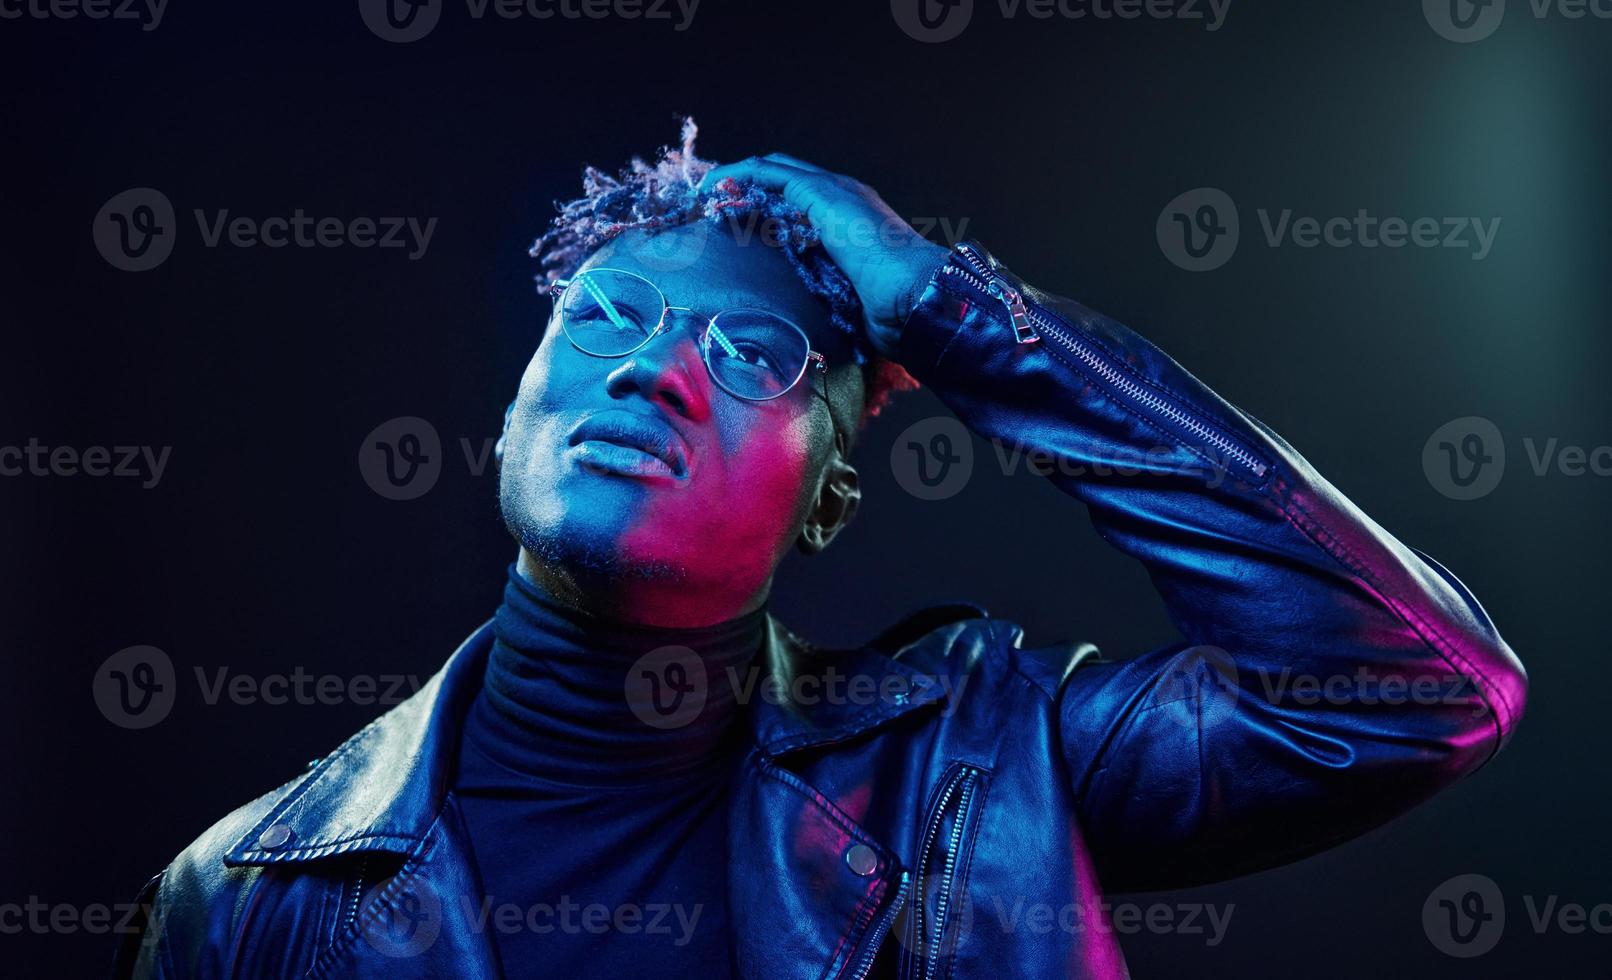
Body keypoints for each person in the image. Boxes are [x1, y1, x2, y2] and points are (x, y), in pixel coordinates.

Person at [115, 121, 1526, 979]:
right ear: (509, 416)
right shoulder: (242, 900)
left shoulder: (986, 768)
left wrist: (955, 313)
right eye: (604, 321)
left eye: (748, 351)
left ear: (832, 499)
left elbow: (1423, 691)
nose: (651, 374)